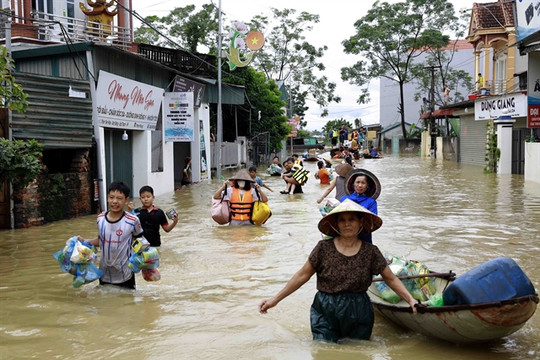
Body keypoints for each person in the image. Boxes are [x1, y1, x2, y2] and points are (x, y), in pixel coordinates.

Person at [259, 199, 417, 343]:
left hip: (359, 309)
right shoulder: (323, 248)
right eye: (342, 220)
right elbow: (302, 275)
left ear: (360, 222)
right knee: (324, 349)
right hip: (326, 308)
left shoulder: (371, 252)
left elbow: (391, 279)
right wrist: (275, 300)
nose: (347, 224)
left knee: (358, 351)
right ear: (336, 224)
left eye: (352, 219)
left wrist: (410, 300)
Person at [79, 181, 145, 289]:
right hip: (104, 273)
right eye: (111, 197)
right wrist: (83, 241)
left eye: (119, 198)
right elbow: (101, 240)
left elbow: (140, 241)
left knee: (126, 303)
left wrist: (146, 263)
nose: (115, 201)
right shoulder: (100, 219)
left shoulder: (133, 220)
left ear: (126, 200)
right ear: (107, 198)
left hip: (125, 274)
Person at [340, 170, 379, 243]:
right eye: (357, 182)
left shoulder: (371, 202)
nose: (360, 185)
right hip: (346, 236)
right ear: (353, 184)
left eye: (363, 183)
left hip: (364, 237)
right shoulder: (344, 199)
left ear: (367, 186)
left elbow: (373, 221)